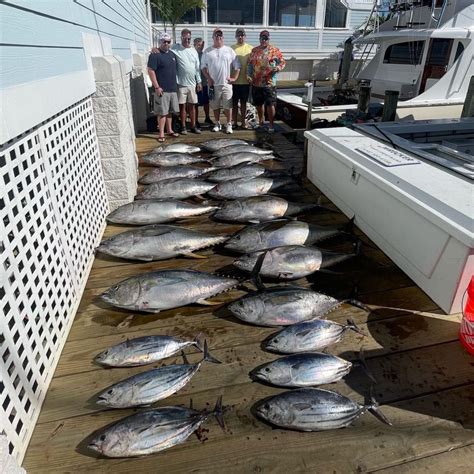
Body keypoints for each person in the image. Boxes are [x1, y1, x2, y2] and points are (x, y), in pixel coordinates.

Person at [201, 27, 241, 134]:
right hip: (213, 85)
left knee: (228, 106)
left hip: (226, 84)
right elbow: (203, 67)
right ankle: (217, 123)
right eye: (216, 35)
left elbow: (237, 66)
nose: (218, 37)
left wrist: (234, 78)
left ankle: (229, 124)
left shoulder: (229, 50)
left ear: (223, 37)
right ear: (213, 37)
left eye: (220, 35)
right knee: (215, 106)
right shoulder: (207, 51)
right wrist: (208, 78)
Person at [248, 30, 286, 133]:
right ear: (259, 39)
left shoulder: (274, 50)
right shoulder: (254, 50)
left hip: (269, 83)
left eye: (266, 38)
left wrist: (278, 68)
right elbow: (250, 65)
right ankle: (261, 122)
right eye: (262, 38)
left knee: (270, 104)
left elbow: (282, 62)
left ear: (269, 39)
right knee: (259, 104)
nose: (264, 40)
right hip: (256, 83)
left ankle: (271, 125)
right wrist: (249, 75)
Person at [147, 33, 179, 143]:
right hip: (161, 89)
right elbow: (151, 71)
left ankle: (169, 130)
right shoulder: (154, 55)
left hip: (173, 88)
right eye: (164, 41)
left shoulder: (172, 54)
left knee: (170, 112)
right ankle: (161, 134)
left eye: (168, 41)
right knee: (162, 113)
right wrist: (156, 87)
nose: (166, 43)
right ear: (160, 42)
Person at [172, 28, 202, 134]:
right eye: (185, 38)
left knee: (193, 106)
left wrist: (199, 81)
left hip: (192, 84)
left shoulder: (194, 50)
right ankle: (184, 127)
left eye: (189, 38)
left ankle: (193, 126)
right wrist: (155, 49)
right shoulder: (175, 48)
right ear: (181, 37)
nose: (187, 40)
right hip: (181, 83)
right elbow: (164, 49)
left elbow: (197, 68)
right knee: (182, 106)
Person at [231, 28, 253, 129]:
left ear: (245, 36)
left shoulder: (251, 49)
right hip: (234, 82)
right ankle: (234, 122)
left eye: (242, 35)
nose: (241, 37)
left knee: (244, 103)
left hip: (246, 82)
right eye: (239, 35)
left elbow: (254, 65)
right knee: (234, 103)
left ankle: (243, 123)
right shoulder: (231, 48)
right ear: (236, 36)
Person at [193, 37, 213, 128]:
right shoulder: (192, 54)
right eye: (198, 44)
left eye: (201, 44)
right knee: (196, 103)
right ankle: (196, 120)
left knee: (206, 102)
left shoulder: (205, 54)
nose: (200, 46)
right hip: (195, 83)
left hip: (205, 83)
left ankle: (207, 117)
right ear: (194, 44)